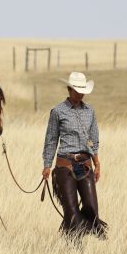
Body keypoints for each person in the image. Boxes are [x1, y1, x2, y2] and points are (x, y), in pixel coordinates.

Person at [42, 71, 108, 240]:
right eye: (77, 90)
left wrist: (97, 162)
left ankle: (71, 231)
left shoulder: (90, 112)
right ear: (69, 89)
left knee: (91, 208)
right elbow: (51, 139)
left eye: (82, 90)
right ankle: (74, 244)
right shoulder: (57, 111)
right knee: (71, 210)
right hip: (65, 166)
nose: (80, 93)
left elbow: (93, 139)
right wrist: (47, 166)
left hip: (85, 165)